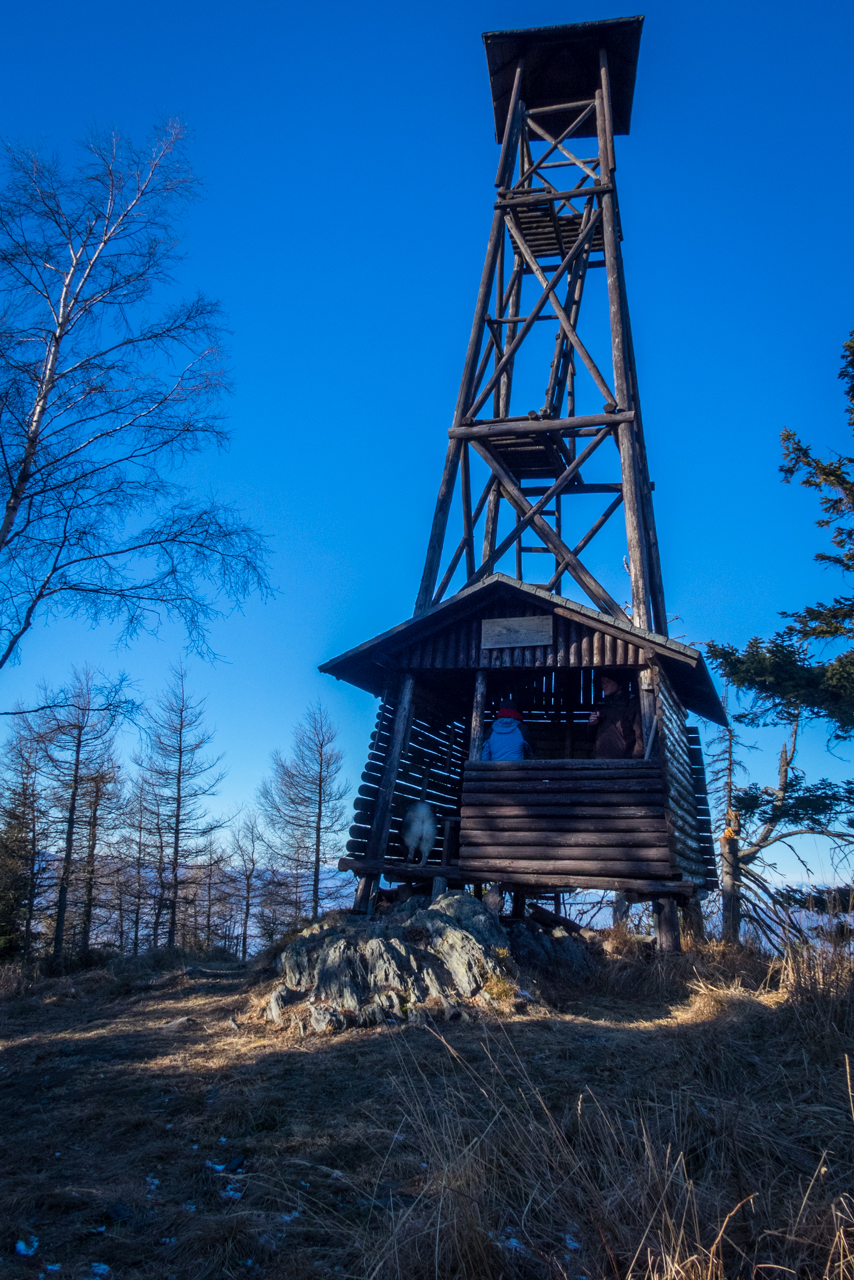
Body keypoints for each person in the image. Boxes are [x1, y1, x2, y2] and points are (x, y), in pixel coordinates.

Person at [589, 674, 644, 759]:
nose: (604, 685)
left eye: (608, 681)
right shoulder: (602, 704)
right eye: (602, 682)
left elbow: (639, 734)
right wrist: (591, 724)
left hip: (623, 761)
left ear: (619, 683)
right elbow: (590, 736)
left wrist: (636, 760)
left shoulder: (631, 703)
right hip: (600, 759)